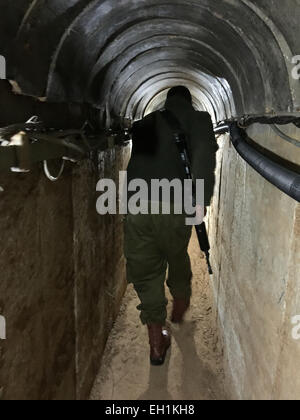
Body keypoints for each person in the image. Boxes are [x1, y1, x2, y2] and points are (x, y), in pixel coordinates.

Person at [124, 86, 218, 366]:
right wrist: (200, 201)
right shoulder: (199, 120)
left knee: (144, 266)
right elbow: (203, 156)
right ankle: (180, 301)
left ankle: (156, 336)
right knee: (175, 254)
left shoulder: (145, 123)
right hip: (175, 206)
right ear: (188, 101)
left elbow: (138, 165)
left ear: (166, 101)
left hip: (137, 205)